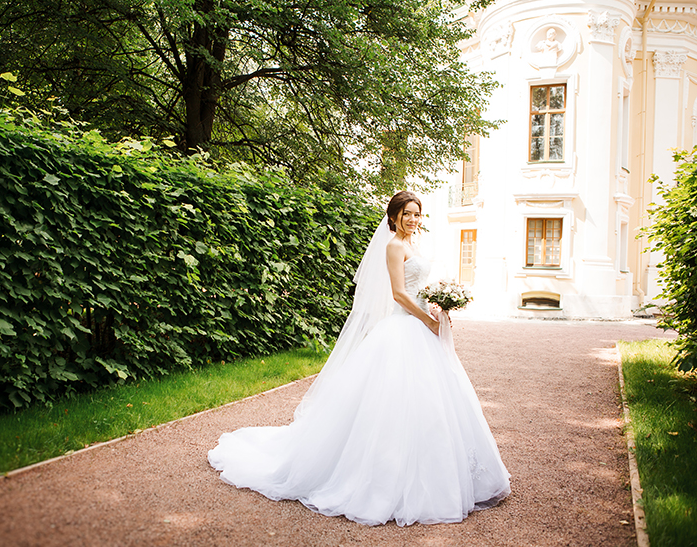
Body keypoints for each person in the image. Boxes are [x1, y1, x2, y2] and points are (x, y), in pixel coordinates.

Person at [207, 191, 511, 526]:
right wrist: (426, 319)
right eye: (406, 214)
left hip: (422, 327)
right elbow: (398, 293)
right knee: (393, 404)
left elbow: (419, 287)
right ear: (393, 217)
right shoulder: (394, 246)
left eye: (417, 214)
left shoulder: (414, 244)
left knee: (436, 402)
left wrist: (437, 305)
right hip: (404, 328)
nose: (412, 219)